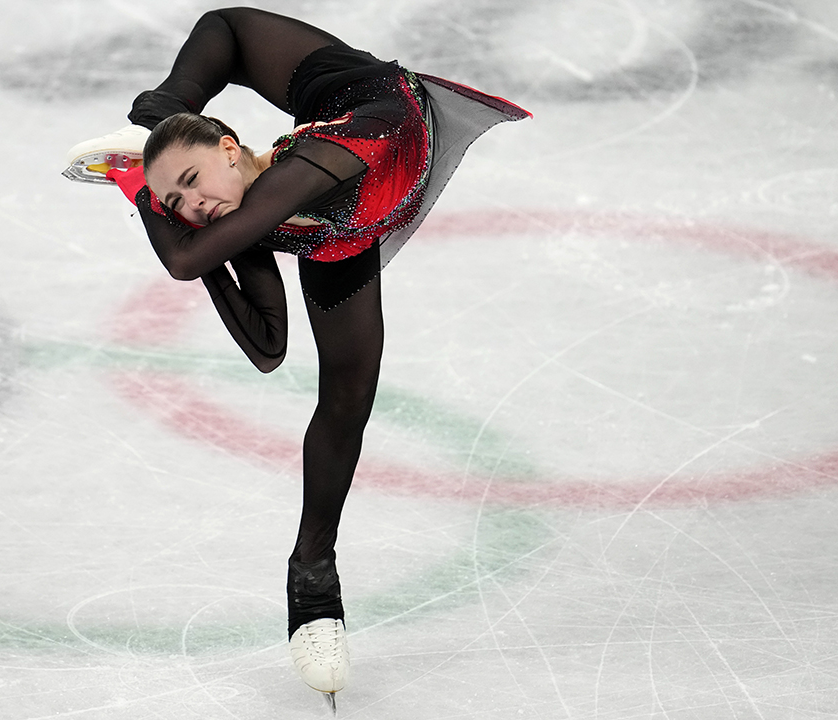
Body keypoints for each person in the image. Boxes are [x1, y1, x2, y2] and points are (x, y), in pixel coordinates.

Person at [63, 6, 528, 702]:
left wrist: (145, 164)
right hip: (339, 235)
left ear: (226, 148)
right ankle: (314, 575)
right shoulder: (252, 215)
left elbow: (189, 262)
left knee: (227, 33)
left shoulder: (306, 170)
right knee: (346, 400)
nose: (188, 204)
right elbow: (265, 344)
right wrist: (150, 196)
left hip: (372, 109)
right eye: (173, 201)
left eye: (189, 180)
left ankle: (155, 117)